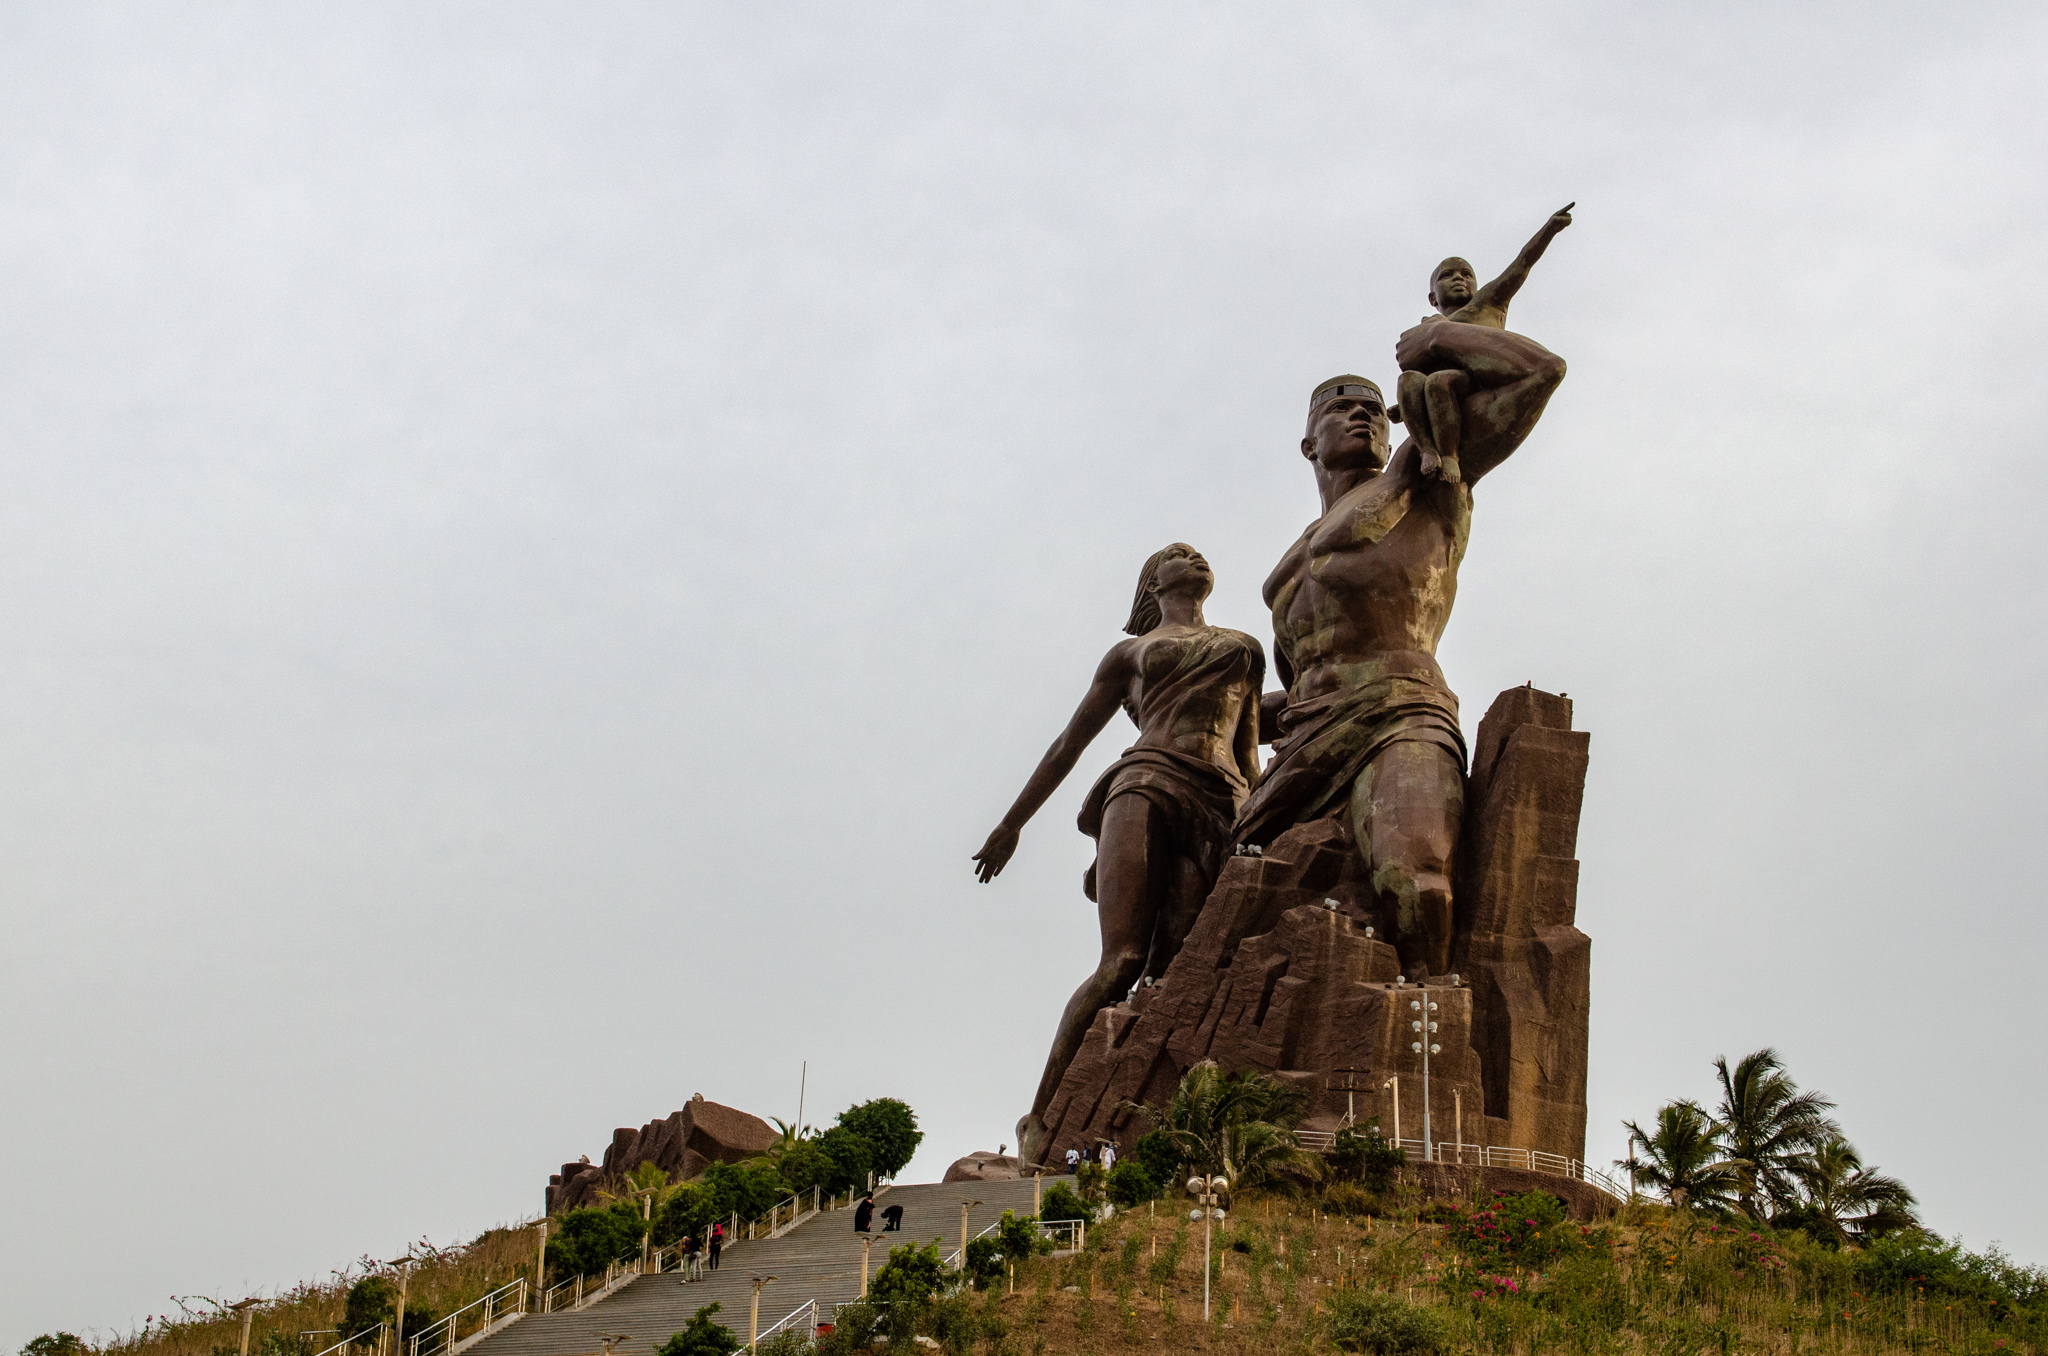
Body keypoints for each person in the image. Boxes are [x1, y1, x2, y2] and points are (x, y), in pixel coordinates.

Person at [1238, 351, 1564, 979]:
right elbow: (1295, 686)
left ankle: (1426, 1026)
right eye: (1341, 408)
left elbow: (1537, 374)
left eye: (1373, 410)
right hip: (1307, 738)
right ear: (1308, 443)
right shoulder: (1285, 568)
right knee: (1221, 897)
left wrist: (1436, 334)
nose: (1362, 416)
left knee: (1415, 883)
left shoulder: (1426, 478)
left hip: (1400, 709)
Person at [974, 543, 1265, 1172]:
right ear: (1152, 585)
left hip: (1219, 801)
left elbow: (1248, 750)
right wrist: (1011, 824)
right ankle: (1042, 1113)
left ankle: (1143, 1114)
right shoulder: (1131, 654)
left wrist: (1258, 815)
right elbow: (1068, 742)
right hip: (1145, 782)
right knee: (1122, 961)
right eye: (1176, 554)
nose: (1194, 555)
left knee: (1178, 962)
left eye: (1198, 552)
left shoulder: (1243, 647)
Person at [1393, 203, 1573, 483]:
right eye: (1448, 275)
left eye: (1466, 274)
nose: (1459, 279)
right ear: (1433, 297)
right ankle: (1428, 450)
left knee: (1441, 381)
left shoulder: (1486, 304)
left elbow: (1520, 266)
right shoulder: (1428, 326)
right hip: (1436, 396)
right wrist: (1403, 407)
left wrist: (1548, 230)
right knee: (1409, 381)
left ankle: (1450, 456)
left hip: (1472, 384)